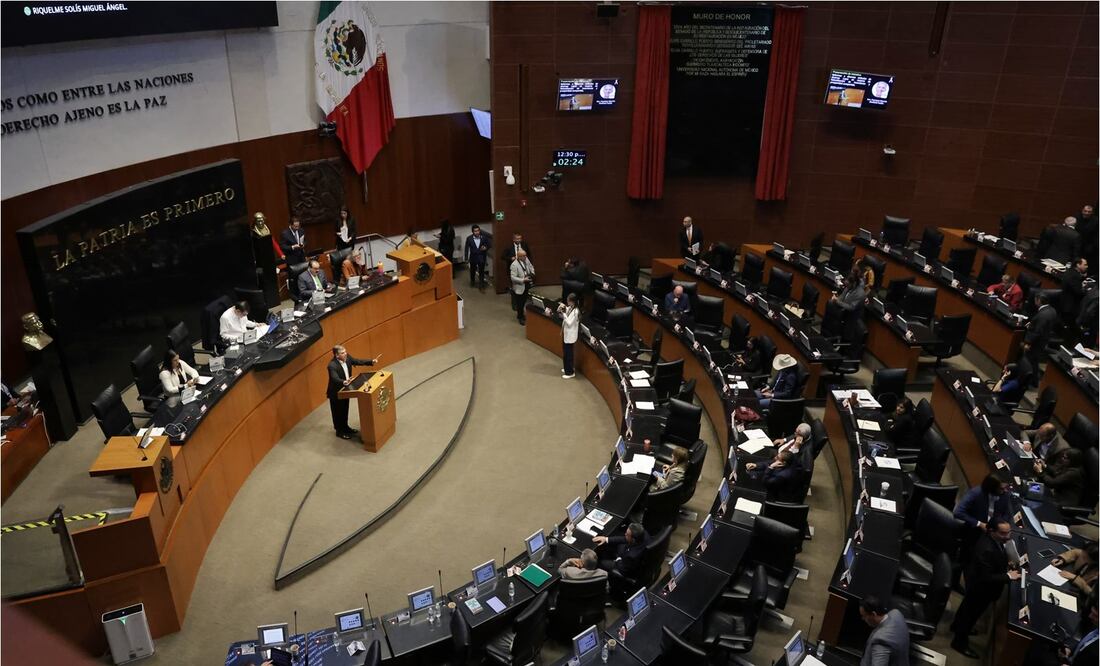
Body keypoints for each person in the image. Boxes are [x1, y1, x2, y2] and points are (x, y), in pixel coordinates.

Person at [950, 518, 1021, 657]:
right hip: (980, 589)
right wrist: (1008, 576)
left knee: (966, 609)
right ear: (991, 531)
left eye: (1008, 532)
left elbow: (995, 559)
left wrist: (1005, 563)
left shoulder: (993, 540)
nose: (1007, 536)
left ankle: (956, 626)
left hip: (977, 586)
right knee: (970, 615)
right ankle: (959, 643)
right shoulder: (986, 549)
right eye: (1003, 533)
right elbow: (986, 577)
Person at [325, 345, 378, 440]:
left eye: (345, 352)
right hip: (336, 392)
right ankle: (339, 431)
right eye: (342, 353)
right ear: (337, 355)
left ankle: (346, 427)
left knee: (345, 409)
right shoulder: (332, 365)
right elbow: (334, 378)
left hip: (346, 389)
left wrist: (371, 361)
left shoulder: (347, 357)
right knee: (338, 413)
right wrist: (343, 382)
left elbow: (357, 361)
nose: (345, 354)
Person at [858, 595, 910, 666]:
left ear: (873, 614)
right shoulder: (896, 613)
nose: (863, 619)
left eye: (864, 616)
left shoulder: (880, 642)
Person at [1024, 291, 1059, 368]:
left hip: (1036, 343)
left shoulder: (1042, 315)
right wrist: (1033, 323)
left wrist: (1028, 343)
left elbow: (1037, 331)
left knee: (1030, 362)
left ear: (1038, 300)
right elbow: (1044, 325)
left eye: (1035, 299)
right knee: (1034, 361)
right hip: (1044, 339)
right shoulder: (1052, 310)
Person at [1058, 600, 1098, 665]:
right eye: (1091, 612)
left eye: (1095, 616)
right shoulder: (1095, 626)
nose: (1090, 616)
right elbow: (1085, 643)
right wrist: (1070, 650)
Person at [509, 249, 535, 324]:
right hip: (519, 286)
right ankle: (520, 317)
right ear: (519, 257)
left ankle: (521, 314)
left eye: (525, 255)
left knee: (524, 301)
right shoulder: (514, 265)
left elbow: (531, 266)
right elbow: (513, 278)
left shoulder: (526, 259)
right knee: (519, 303)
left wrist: (532, 273)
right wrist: (523, 280)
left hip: (526, 285)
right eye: (523, 256)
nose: (525, 257)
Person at [464, 224, 490, 291]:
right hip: (473, 257)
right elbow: (466, 249)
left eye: (478, 230)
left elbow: (489, 244)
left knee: (481, 271)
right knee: (472, 270)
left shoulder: (484, 237)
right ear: (472, 232)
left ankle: (481, 284)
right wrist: (466, 258)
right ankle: (472, 281)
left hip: (481, 256)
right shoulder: (469, 238)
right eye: (475, 231)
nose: (477, 232)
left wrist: (485, 247)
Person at [559, 293, 579, 378]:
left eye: (568, 301)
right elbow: (567, 311)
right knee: (565, 353)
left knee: (568, 354)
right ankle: (567, 368)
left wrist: (563, 314)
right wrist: (563, 308)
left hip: (570, 336)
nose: (567, 302)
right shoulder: (571, 308)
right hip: (566, 334)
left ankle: (570, 372)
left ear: (573, 302)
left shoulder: (576, 312)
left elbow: (569, 323)